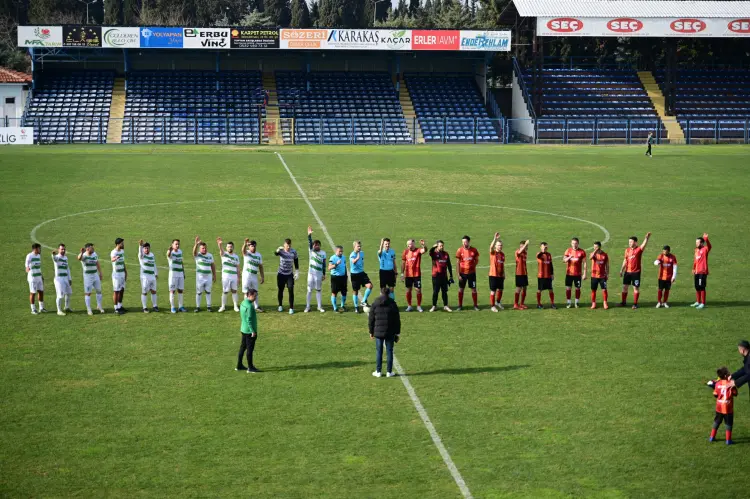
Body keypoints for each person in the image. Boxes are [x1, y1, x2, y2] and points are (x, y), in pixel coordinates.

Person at [368, 286, 401, 378]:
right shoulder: (393, 303)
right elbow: (397, 320)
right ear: (389, 294)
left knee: (379, 351)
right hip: (390, 331)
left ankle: (378, 371)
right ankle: (389, 372)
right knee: (389, 351)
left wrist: (371, 331)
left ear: (380, 293)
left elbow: (371, 319)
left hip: (378, 331)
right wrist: (397, 333)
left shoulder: (375, 303)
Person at [619, 232, 651, 309]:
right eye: (629, 242)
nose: (629, 243)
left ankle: (635, 304)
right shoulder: (627, 250)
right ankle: (623, 302)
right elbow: (625, 260)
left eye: (631, 242)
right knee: (624, 287)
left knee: (635, 288)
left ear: (635, 242)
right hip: (627, 272)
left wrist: (646, 238)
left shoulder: (638, 250)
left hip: (636, 273)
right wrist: (621, 270)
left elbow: (643, 245)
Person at [708, 367, 737, 445]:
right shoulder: (730, 383)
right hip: (728, 407)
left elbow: (715, 394)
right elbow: (735, 393)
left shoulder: (717, 383)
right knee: (729, 423)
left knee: (717, 421)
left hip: (719, 407)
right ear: (725, 375)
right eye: (728, 373)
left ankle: (711, 437)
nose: (729, 374)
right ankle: (728, 440)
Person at [237, 288, 261, 373]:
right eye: (254, 296)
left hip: (243, 329)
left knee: (242, 348)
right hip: (249, 331)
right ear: (249, 295)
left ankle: (239, 365)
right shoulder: (250, 306)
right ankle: (250, 367)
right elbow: (249, 320)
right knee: (249, 350)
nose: (255, 297)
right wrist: (253, 331)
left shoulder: (243, 303)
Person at [78, 243, 105, 315]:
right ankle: (89, 309)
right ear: (87, 249)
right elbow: (79, 258)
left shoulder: (94, 254)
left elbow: (97, 263)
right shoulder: (84, 255)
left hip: (95, 275)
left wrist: (100, 273)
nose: (93, 249)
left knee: (99, 291)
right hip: (88, 276)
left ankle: (99, 306)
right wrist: (81, 252)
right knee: (88, 293)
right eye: (91, 248)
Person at [274, 238, 299, 314]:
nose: (288, 247)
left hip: (289, 275)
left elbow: (296, 261)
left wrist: (297, 271)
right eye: (287, 245)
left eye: (289, 245)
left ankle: (291, 308)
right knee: (280, 290)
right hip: (281, 274)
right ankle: (280, 305)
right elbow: (275, 253)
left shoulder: (293, 251)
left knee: (291, 290)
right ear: (284, 245)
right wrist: (278, 249)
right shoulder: (281, 251)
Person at [455, 235, 480, 311]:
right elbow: (457, 263)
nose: (464, 243)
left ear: (469, 242)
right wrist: (458, 274)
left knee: (474, 289)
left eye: (465, 242)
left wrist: (473, 266)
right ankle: (460, 306)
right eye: (463, 242)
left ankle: (475, 305)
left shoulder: (474, 250)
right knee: (461, 289)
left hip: (472, 274)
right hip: (462, 273)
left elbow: (477, 260)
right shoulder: (460, 250)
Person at [401, 239, 426, 312]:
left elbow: (424, 250)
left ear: (414, 244)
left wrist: (423, 245)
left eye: (410, 244)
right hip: (408, 275)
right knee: (408, 290)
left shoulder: (418, 250)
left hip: (416, 274)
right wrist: (402, 274)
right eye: (408, 244)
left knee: (418, 290)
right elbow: (403, 263)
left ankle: (418, 306)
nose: (409, 246)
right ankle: (409, 306)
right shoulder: (405, 252)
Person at [216, 237, 241, 313]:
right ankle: (223, 306)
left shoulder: (236, 257)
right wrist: (219, 245)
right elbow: (221, 251)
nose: (230, 248)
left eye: (231, 247)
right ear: (226, 248)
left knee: (234, 291)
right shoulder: (224, 254)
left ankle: (235, 306)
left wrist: (239, 278)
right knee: (225, 291)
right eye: (228, 247)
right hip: (226, 276)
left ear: (233, 247)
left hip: (234, 276)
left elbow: (238, 268)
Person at [305, 226, 326, 313]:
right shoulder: (311, 251)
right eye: (315, 244)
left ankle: (319, 306)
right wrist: (309, 235)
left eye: (318, 245)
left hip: (319, 274)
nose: (316, 246)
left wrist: (324, 274)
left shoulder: (323, 253)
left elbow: (324, 264)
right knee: (309, 290)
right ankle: (308, 306)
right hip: (311, 274)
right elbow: (309, 242)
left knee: (318, 290)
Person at [192, 236, 216, 312]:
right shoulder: (198, 255)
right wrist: (196, 244)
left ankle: (209, 306)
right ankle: (197, 307)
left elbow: (212, 265)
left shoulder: (210, 255)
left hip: (208, 276)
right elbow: (194, 252)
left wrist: (214, 275)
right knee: (199, 292)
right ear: (200, 249)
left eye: (205, 248)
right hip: (200, 277)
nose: (204, 249)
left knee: (208, 291)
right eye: (202, 248)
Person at [429, 240, 454, 312]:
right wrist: (433, 247)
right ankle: (434, 306)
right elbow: (430, 252)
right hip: (436, 276)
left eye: (442, 245)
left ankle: (446, 306)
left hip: (444, 276)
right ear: (437, 246)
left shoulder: (446, 254)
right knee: (435, 292)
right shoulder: (434, 253)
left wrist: (451, 276)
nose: (442, 247)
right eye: (440, 246)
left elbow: (449, 265)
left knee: (444, 292)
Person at [241, 238, 264, 312]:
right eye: (251, 246)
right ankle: (246, 306)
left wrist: (262, 276)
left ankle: (256, 306)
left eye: (254, 246)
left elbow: (260, 266)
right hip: (246, 275)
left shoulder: (258, 255)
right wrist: (245, 244)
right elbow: (243, 251)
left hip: (254, 275)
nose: (253, 247)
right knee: (246, 291)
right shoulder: (247, 253)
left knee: (255, 291)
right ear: (249, 246)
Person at [563, 237, 587, 309]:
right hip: (569, 274)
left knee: (577, 288)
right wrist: (569, 257)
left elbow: (584, 263)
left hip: (578, 274)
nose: (574, 245)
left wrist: (585, 273)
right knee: (568, 288)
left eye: (576, 243)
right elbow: (564, 260)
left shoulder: (582, 252)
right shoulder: (568, 251)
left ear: (578, 243)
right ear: (571, 243)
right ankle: (569, 303)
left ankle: (576, 302)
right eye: (573, 243)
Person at [350, 241, 373, 313]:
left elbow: (362, 261)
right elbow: (353, 262)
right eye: (358, 246)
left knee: (370, 286)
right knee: (355, 291)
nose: (359, 248)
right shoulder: (352, 255)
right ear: (354, 247)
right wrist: (357, 257)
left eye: (360, 246)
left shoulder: (362, 253)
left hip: (362, 273)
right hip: (354, 275)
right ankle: (356, 307)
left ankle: (363, 301)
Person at [51, 244, 73, 316]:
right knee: (60, 295)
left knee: (69, 293)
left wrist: (69, 278)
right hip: (59, 279)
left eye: (64, 249)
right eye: (61, 249)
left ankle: (67, 307)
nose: (63, 250)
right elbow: (54, 259)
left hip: (66, 278)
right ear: (58, 250)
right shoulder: (57, 257)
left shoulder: (65, 258)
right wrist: (53, 255)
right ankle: (59, 310)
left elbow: (67, 268)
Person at [138, 240, 159, 313]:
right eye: (145, 248)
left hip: (152, 276)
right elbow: (140, 253)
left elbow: (154, 264)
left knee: (154, 291)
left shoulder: (152, 255)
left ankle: (155, 306)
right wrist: (140, 246)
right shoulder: (142, 255)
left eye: (147, 248)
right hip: (145, 277)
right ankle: (144, 307)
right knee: (144, 292)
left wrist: (156, 273)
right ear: (143, 249)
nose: (146, 249)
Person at [691, 233, 711, 309]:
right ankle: (698, 301)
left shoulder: (705, 249)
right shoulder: (696, 250)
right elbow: (695, 261)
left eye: (698, 242)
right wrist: (693, 268)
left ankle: (703, 303)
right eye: (696, 242)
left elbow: (710, 246)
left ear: (702, 243)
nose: (696, 243)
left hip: (702, 272)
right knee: (697, 287)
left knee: (701, 287)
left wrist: (706, 239)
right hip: (696, 271)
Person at [25, 243, 46, 314]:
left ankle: (41, 308)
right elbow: (27, 265)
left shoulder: (39, 256)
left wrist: (41, 276)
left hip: (39, 276)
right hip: (33, 277)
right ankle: (33, 309)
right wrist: (27, 268)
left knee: (41, 291)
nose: (40, 250)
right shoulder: (29, 256)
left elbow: (38, 267)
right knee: (33, 293)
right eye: (39, 248)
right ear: (35, 249)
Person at [167, 239, 187, 313]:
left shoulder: (180, 251)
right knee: (172, 291)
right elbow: (168, 255)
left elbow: (181, 263)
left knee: (180, 290)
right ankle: (172, 307)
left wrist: (183, 272)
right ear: (172, 245)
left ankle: (180, 306)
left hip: (180, 274)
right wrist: (169, 249)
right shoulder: (170, 252)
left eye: (178, 244)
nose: (177, 245)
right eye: (176, 244)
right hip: (173, 274)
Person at [589, 241, 609, 309]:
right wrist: (594, 251)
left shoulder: (605, 255)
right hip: (594, 276)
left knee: (604, 289)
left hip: (602, 276)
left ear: (599, 247)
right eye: (594, 247)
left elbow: (607, 265)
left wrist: (607, 274)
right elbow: (590, 258)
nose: (595, 248)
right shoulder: (593, 254)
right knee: (593, 290)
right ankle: (593, 303)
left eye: (596, 247)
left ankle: (605, 303)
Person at [488, 233, 505, 312]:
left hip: (500, 275)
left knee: (501, 289)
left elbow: (502, 264)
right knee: (493, 291)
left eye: (501, 245)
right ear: (495, 246)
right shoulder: (493, 253)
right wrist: (494, 238)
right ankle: (492, 306)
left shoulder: (502, 254)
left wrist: (504, 273)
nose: (500, 246)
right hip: (493, 274)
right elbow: (491, 247)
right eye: (498, 245)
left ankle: (498, 302)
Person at [536, 242, 556, 309]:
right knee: (539, 290)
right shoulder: (539, 254)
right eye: (543, 247)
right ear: (540, 247)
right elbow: (538, 256)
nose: (544, 248)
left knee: (551, 289)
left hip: (548, 276)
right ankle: (538, 304)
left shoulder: (549, 255)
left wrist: (552, 274)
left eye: (546, 247)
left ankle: (552, 303)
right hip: (541, 276)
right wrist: (542, 251)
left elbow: (550, 265)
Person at [328, 245, 348, 312]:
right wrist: (336, 264)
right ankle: (335, 308)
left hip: (343, 277)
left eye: (342, 251)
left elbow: (344, 266)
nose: (341, 253)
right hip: (335, 278)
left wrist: (346, 275)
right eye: (340, 251)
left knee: (344, 293)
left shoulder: (344, 257)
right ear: (336, 251)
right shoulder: (332, 258)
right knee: (334, 293)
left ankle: (342, 306)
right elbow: (329, 268)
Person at [514, 240, 530, 310]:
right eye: (522, 246)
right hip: (519, 273)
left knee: (525, 288)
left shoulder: (525, 253)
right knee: (518, 288)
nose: (523, 248)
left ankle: (522, 303)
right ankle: (516, 304)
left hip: (524, 273)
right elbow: (519, 252)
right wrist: (525, 244)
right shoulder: (518, 252)